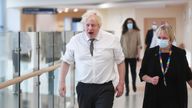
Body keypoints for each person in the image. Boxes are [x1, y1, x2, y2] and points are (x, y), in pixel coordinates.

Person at [59, 10, 125, 108]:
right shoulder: (75, 40)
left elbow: (120, 61)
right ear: (84, 25)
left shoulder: (111, 39)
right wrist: (62, 82)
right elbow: (66, 61)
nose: (90, 28)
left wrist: (121, 83)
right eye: (87, 25)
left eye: (93, 25)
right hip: (83, 87)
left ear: (99, 26)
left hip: (105, 88)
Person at [139, 24, 192, 108]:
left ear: (171, 39)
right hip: (154, 97)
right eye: (159, 38)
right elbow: (142, 74)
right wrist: (150, 79)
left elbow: (188, 76)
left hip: (175, 98)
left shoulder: (180, 54)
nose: (161, 40)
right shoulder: (150, 53)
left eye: (164, 38)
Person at [120, 18, 142, 96]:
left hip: (133, 56)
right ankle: (127, 89)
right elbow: (120, 44)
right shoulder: (123, 32)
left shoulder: (137, 32)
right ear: (126, 24)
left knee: (133, 72)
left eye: (131, 22)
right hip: (124, 56)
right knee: (125, 73)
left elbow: (139, 44)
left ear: (133, 23)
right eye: (128, 22)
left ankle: (133, 84)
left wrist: (138, 55)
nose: (130, 24)